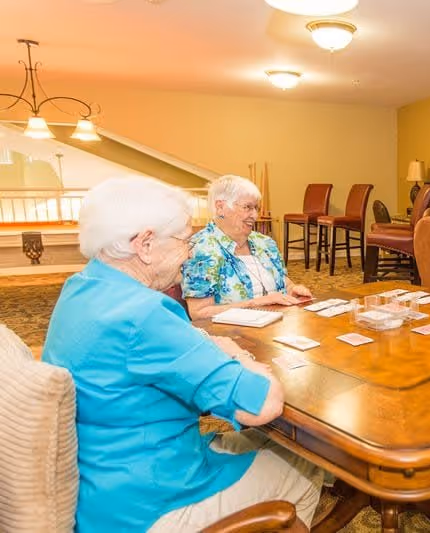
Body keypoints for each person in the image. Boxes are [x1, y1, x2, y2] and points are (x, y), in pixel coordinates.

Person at [42, 177, 322, 532]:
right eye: (184, 241)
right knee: (306, 465)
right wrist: (236, 352)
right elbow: (262, 404)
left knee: (275, 444)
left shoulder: (80, 288)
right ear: (144, 244)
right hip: (151, 503)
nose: (189, 253)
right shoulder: (143, 313)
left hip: (100, 483)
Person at [182, 174, 312, 319]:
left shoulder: (265, 242)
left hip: (279, 325)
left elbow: (285, 282)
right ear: (220, 207)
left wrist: (293, 290)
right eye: (247, 207)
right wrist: (256, 303)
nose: (255, 215)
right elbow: (199, 313)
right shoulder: (201, 248)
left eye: (256, 208)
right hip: (233, 335)